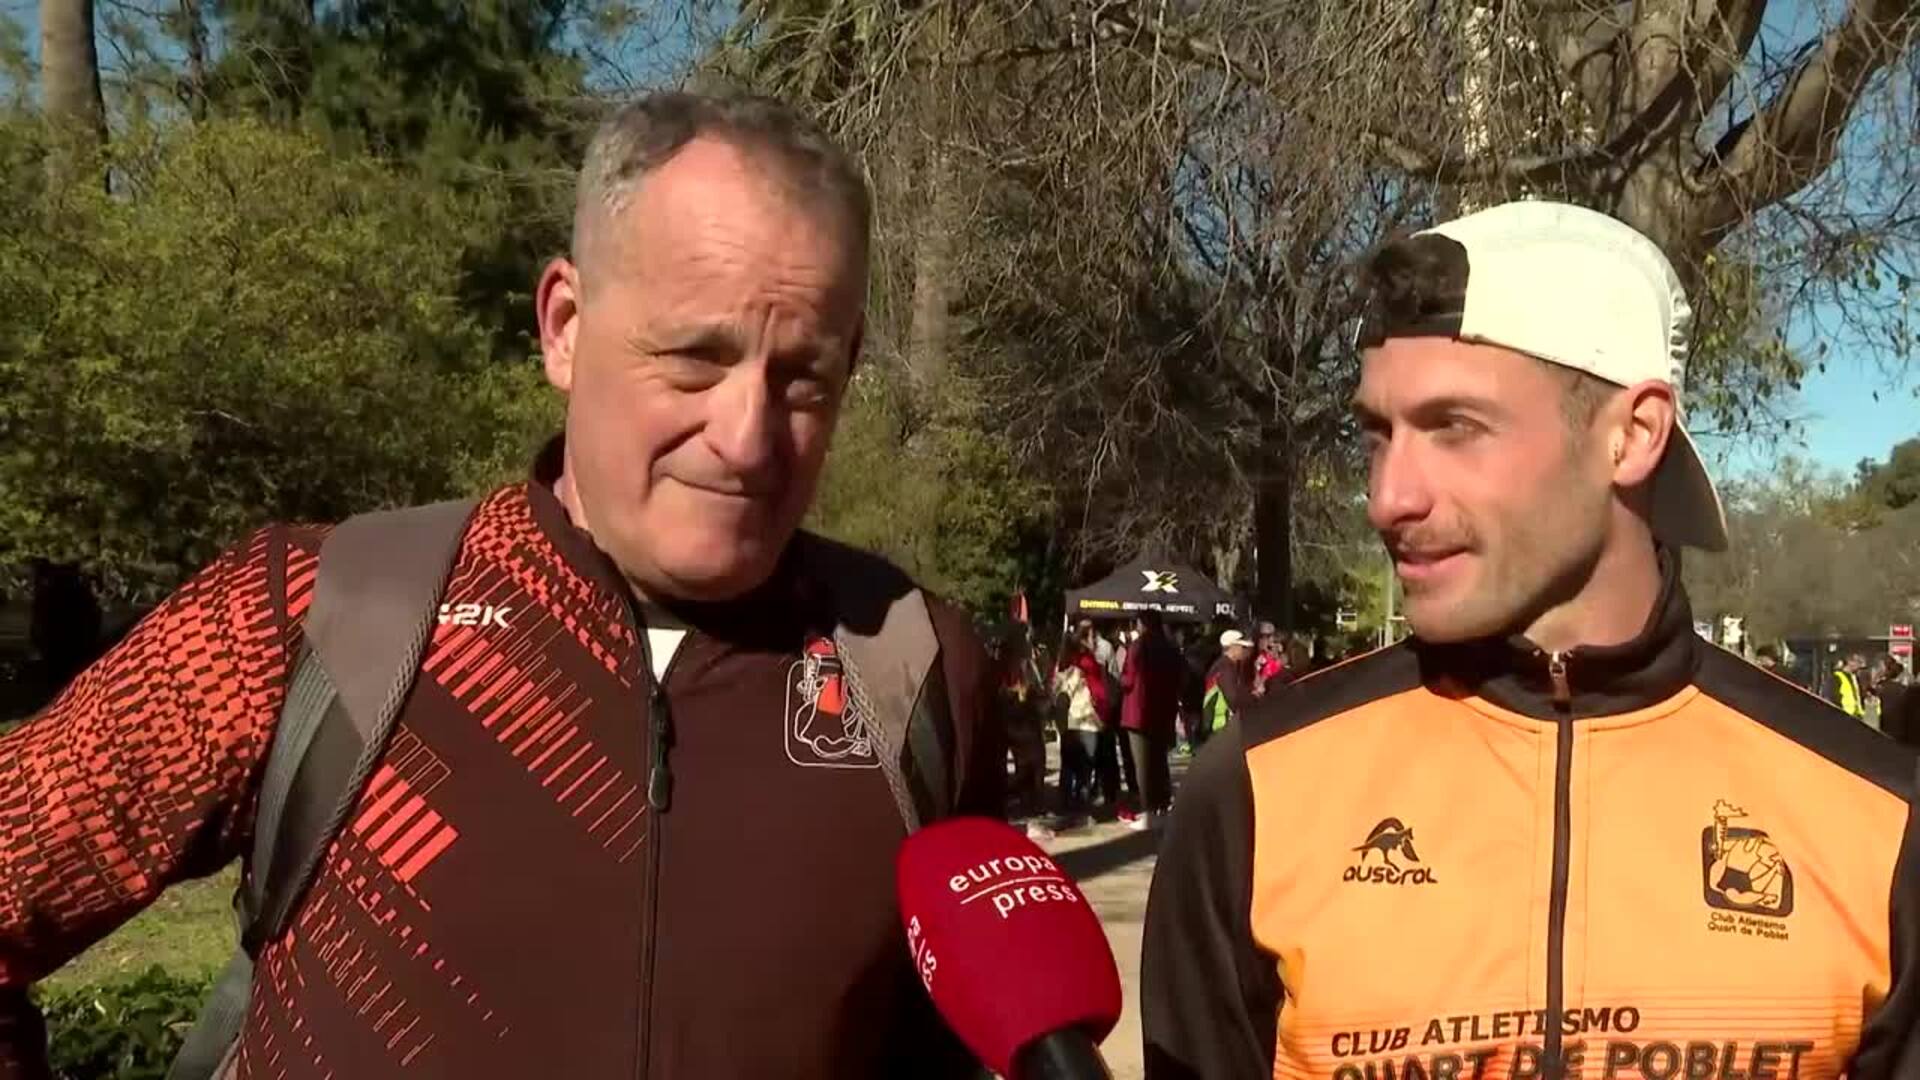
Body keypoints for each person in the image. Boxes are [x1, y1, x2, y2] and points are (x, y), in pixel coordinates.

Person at [0, 92, 1005, 1080]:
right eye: (695, 360)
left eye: (803, 377)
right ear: (564, 325)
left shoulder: (917, 673)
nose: (746, 437)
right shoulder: (310, 612)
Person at [1142, 201, 1920, 1079]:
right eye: (1379, 435)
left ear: (1633, 435)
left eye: (1455, 427)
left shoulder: (1880, 819)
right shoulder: (1254, 789)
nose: (1389, 498)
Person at [1120, 614, 1183, 830]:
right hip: (1163, 711)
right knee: (1159, 762)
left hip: (1139, 713)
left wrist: (1119, 679)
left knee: (1143, 765)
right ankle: (1163, 806)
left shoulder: (1138, 646)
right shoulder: (1170, 647)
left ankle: (1149, 810)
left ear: (1143, 624)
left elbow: (1128, 679)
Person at [1051, 638, 1103, 819]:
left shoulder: (1059, 675)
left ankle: (1065, 808)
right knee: (1084, 773)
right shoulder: (1082, 672)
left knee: (1068, 770)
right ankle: (1082, 810)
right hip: (1088, 724)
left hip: (1070, 726)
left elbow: (1059, 702)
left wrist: (1061, 728)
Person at [1198, 629, 1258, 743]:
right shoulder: (1225, 667)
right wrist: (1253, 698)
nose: (1244, 651)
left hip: (1220, 725)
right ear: (1233, 647)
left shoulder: (1225, 665)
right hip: (1221, 725)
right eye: (1242, 647)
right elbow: (1233, 698)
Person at [1835, 652, 1868, 719]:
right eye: (1858, 661)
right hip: (1844, 716)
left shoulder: (1856, 678)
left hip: (1857, 717)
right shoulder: (1836, 678)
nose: (1861, 665)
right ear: (1850, 662)